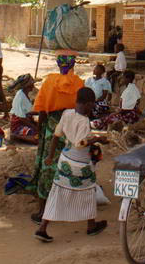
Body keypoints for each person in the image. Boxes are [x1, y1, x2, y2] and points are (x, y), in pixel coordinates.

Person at [34, 87, 108, 243]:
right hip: (80, 163)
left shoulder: (67, 113)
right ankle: (91, 226)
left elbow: (56, 136)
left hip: (64, 160)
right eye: (92, 104)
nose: (92, 107)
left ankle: (42, 228)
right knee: (88, 191)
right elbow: (80, 143)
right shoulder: (84, 122)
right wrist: (97, 139)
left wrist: (49, 156)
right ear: (88, 104)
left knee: (57, 192)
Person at [26, 51, 84, 223]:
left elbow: (42, 111)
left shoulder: (49, 81)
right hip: (71, 130)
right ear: (73, 64)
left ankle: (42, 211)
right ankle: (68, 207)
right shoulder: (80, 83)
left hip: (52, 129)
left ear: (59, 64)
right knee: (70, 165)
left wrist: (40, 129)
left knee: (48, 166)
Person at [9, 73, 39, 144]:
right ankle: (15, 135)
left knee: (43, 130)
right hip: (18, 125)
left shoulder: (24, 94)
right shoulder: (20, 97)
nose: (33, 85)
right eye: (32, 84)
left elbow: (27, 112)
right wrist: (35, 127)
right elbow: (21, 118)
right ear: (27, 86)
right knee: (37, 138)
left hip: (26, 121)